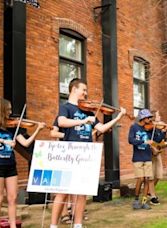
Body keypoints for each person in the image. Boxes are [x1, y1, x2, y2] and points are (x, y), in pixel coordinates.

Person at [50, 78, 126, 228]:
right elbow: (62, 122)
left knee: (82, 191)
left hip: (86, 154)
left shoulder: (88, 111)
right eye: (83, 90)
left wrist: (118, 117)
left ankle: (77, 224)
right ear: (74, 89)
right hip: (70, 153)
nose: (86, 93)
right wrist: (84, 122)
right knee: (63, 191)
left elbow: (102, 129)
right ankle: (53, 225)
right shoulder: (66, 108)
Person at [0, 98, 45, 228]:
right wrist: (4, 141)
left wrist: (38, 130)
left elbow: (25, 143)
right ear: (0, 110)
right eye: (8, 109)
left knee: (12, 198)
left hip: (10, 166)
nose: (10, 112)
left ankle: (13, 225)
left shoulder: (13, 127)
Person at [129, 109, 164, 209]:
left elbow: (157, 140)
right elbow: (130, 140)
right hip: (138, 157)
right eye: (148, 118)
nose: (150, 119)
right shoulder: (134, 127)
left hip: (147, 157)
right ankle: (136, 200)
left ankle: (144, 201)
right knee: (140, 179)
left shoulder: (149, 129)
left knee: (147, 179)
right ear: (143, 118)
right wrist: (144, 142)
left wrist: (163, 131)